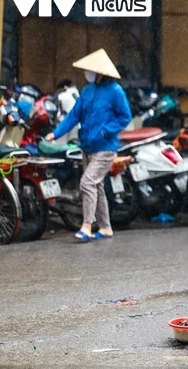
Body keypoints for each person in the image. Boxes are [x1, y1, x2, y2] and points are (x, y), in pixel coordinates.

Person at [45, 49, 132, 242]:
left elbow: (125, 117)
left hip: (106, 147)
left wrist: (105, 131)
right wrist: (55, 133)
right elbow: (74, 116)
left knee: (87, 183)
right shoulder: (87, 91)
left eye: (91, 70)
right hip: (88, 146)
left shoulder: (115, 91)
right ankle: (106, 227)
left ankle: (86, 226)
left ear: (101, 71)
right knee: (97, 186)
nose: (87, 73)